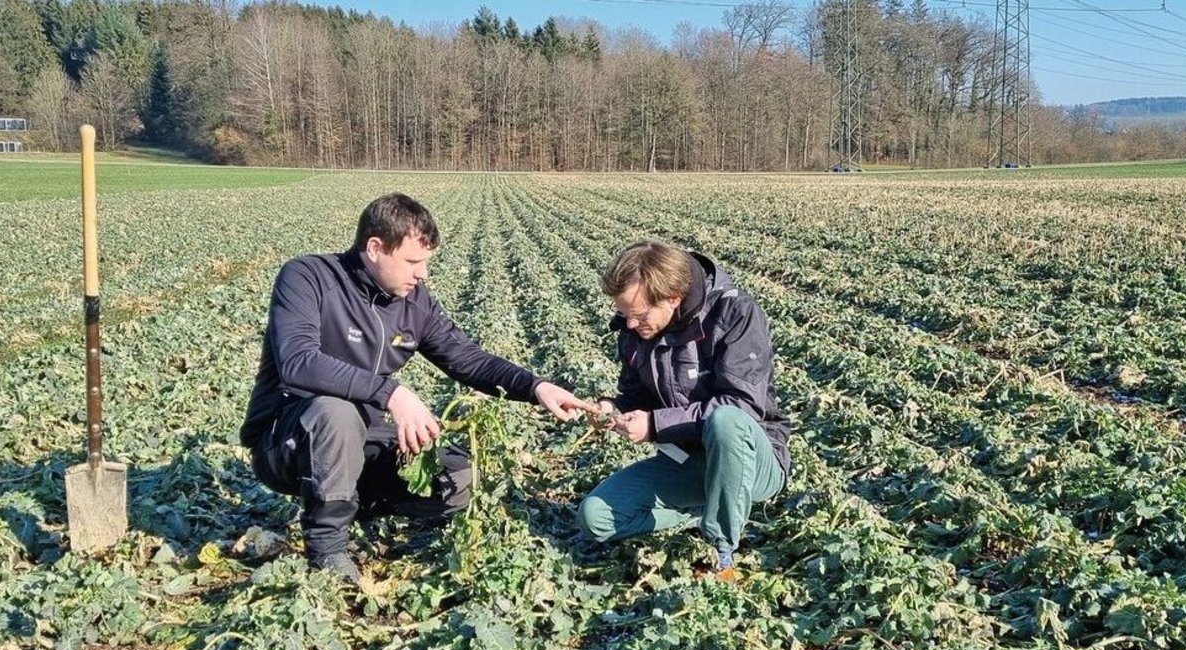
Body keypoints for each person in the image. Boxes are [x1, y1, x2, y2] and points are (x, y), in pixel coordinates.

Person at [240, 193, 592, 582]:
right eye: (412, 262)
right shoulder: (309, 277)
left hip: (362, 438)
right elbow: (299, 361)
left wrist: (536, 387)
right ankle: (327, 551)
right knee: (335, 412)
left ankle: (353, 505)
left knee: (458, 475)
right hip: (288, 440)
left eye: (425, 262)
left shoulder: (414, 302)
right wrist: (391, 393)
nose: (422, 273)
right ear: (375, 248)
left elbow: (467, 359)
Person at [577, 240, 790, 580]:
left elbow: (742, 406)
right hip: (688, 460)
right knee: (595, 517)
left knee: (726, 422)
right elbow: (636, 395)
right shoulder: (636, 328)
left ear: (673, 298)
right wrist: (612, 408)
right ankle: (703, 510)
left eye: (639, 315)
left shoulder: (735, 314)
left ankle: (720, 548)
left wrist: (655, 425)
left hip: (752, 460)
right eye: (625, 315)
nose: (630, 325)